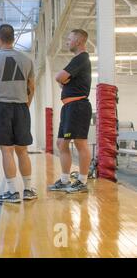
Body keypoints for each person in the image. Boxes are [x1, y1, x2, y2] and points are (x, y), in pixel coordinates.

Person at [0, 24, 37, 203]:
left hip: (1, 108)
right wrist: (25, 106)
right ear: (13, 39)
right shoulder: (27, 61)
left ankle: (12, 192)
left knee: (7, 151)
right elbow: (31, 87)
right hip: (20, 108)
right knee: (22, 151)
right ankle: (27, 190)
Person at [49, 29, 92, 193]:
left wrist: (64, 80)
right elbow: (62, 80)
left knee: (80, 143)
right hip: (69, 107)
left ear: (79, 41)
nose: (67, 41)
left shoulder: (81, 57)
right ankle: (65, 180)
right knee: (61, 143)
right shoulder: (77, 60)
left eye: (70, 38)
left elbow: (59, 77)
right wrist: (64, 80)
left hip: (78, 107)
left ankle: (82, 181)